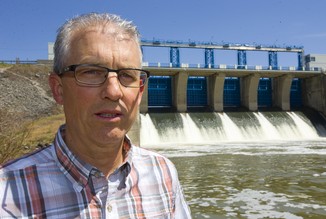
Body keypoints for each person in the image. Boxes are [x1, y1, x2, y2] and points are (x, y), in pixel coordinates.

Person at [0, 13, 191, 218]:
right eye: (91, 72)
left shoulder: (162, 173)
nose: (113, 91)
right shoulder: (7, 193)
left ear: (140, 90)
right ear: (58, 89)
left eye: (127, 75)